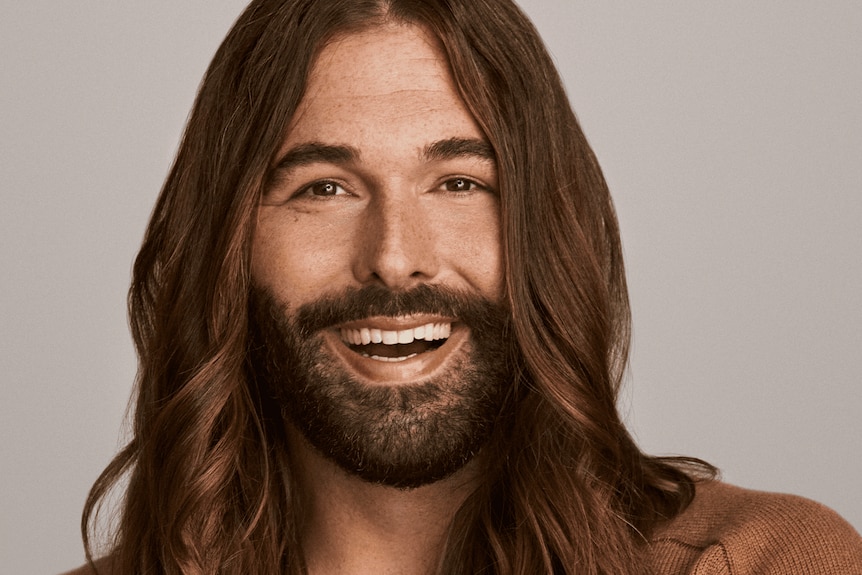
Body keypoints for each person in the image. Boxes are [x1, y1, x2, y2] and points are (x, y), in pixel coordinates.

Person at [67, 1, 862, 574]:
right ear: (229, 245)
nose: (395, 258)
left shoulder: (765, 562)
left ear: (545, 228)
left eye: (458, 182)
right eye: (325, 188)